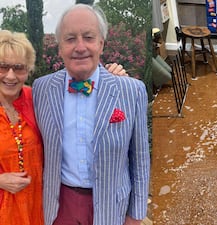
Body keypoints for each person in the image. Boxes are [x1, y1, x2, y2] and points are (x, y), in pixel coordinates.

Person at [32, 4, 150, 225]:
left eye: (88, 37)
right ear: (59, 48)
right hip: (59, 207)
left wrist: (136, 215)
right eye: (70, 39)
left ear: (101, 44)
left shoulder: (131, 91)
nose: (80, 47)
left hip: (112, 207)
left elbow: (140, 159)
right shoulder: (41, 89)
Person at [0, 30, 44, 225]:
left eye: (18, 68)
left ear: (28, 70)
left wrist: (110, 75)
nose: (10, 76)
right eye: (3, 66)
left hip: (37, 207)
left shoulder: (37, 99)